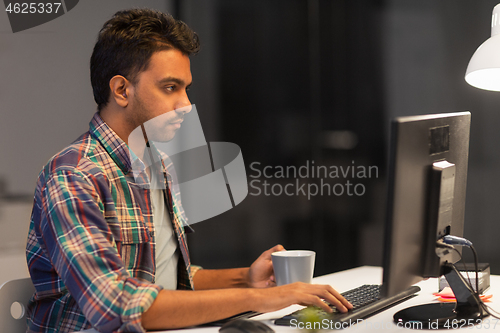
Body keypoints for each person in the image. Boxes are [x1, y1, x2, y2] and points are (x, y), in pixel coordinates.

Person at [25, 8, 352, 333]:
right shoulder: (73, 175)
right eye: (170, 88)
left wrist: (245, 279)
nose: (185, 104)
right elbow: (117, 306)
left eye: (186, 89)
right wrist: (260, 298)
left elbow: (172, 278)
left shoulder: (157, 166)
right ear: (122, 90)